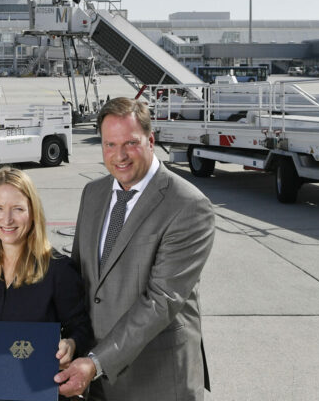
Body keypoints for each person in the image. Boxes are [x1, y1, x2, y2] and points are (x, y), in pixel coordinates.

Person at [54, 97, 215, 400]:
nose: (120, 156)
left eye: (130, 143)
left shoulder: (188, 206)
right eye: (110, 145)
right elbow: (78, 278)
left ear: (151, 140)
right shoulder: (94, 193)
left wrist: (96, 362)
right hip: (96, 380)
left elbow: (160, 301)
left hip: (157, 380)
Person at [0, 168, 93, 379]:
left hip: (38, 387)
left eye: (18, 209)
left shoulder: (58, 270)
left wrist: (72, 343)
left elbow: (82, 328)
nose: (7, 219)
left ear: (33, 213)